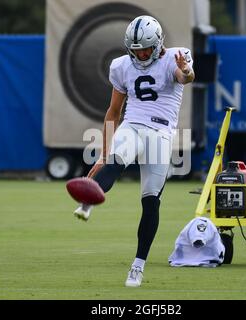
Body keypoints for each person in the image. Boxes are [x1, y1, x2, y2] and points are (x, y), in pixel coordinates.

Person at [73, 15, 194, 286]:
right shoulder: (121, 66)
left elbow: (185, 77)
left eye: (146, 49)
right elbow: (114, 111)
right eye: (135, 49)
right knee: (115, 161)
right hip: (133, 125)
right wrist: (103, 152)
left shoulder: (176, 57)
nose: (140, 54)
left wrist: (185, 70)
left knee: (150, 201)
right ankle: (88, 201)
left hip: (161, 133)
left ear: (158, 43)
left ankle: (138, 265)